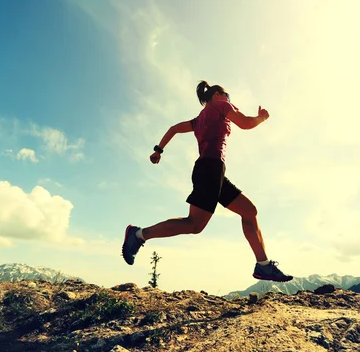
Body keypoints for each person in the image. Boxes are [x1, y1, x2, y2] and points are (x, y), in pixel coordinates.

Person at [122, 81, 293, 282]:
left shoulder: (199, 118)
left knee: (249, 211)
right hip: (210, 169)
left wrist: (158, 150)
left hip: (214, 171)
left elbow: (174, 128)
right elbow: (246, 124)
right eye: (228, 96)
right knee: (194, 224)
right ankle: (139, 235)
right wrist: (262, 117)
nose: (230, 101)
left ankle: (263, 266)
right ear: (218, 95)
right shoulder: (220, 105)